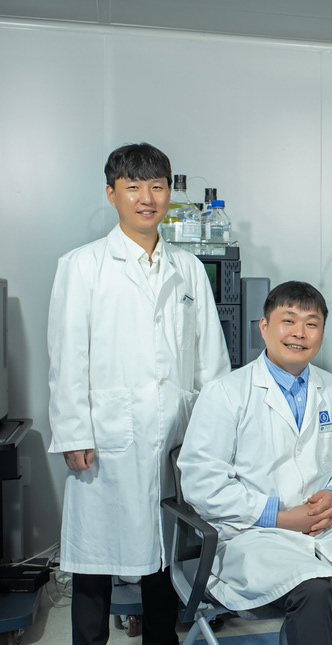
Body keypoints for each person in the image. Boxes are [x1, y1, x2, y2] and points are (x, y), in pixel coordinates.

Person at [47, 143, 231, 645]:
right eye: (133, 187)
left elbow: (211, 360)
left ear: (169, 192)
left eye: (156, 186)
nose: (146, 198)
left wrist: (214, 436)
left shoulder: (188, 268)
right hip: (106, 435)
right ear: (112, 194)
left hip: (175, 435)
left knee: (164, 554)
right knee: (95, 556)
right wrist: (73, 431)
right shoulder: (82, 265)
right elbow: (67, 358)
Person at [178, 281, 332, 645]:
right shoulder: (225, 393)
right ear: (264, 327)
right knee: (312, 587)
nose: (299, 333)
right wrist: (280, 517)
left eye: (312, 324)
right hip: (252, 537)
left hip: (328, 531)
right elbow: (203, 484)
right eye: (288, 320)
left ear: (322, 333)